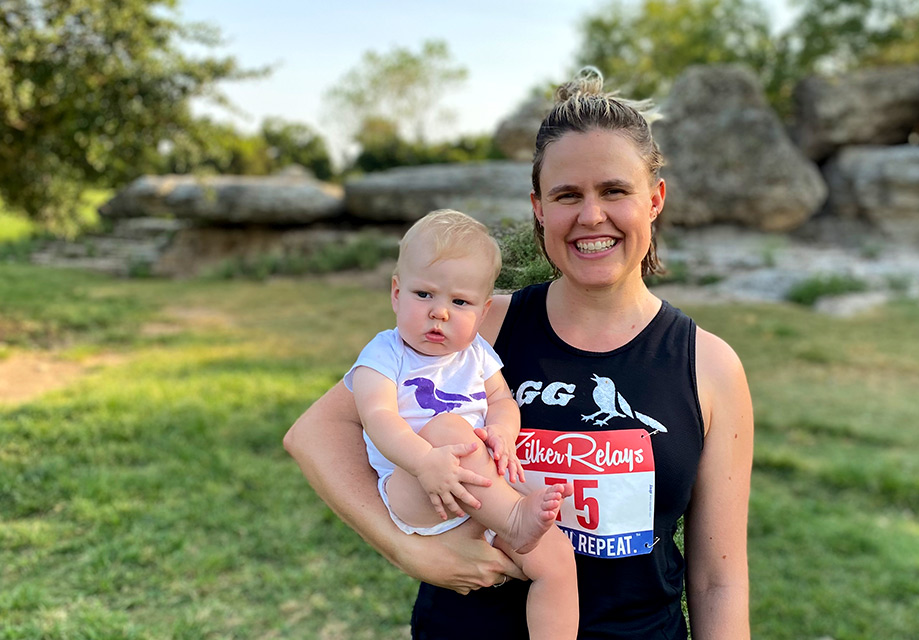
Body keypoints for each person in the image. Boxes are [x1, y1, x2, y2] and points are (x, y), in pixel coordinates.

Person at [284, 67, 754, 639]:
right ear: (538, 207)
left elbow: (718, 582)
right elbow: (314, 433)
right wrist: (409, 551)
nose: (590, 216)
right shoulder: (480, 326)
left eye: (613, 190)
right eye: (566, 195)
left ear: (654, 200)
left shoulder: (708, 365)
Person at [343, 209, 577, 639]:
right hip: (417, 489)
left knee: (558, 561)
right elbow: (378, 418)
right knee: (453, 430)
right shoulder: (384, 354)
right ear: (396, 293)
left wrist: (504, 434)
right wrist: (425, 461)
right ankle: (514, 519)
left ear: (483, 309)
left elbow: (502, 399)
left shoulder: (477, 354)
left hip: (481, 497)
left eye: (460, 302)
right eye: (424, 295)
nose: (440, 314)